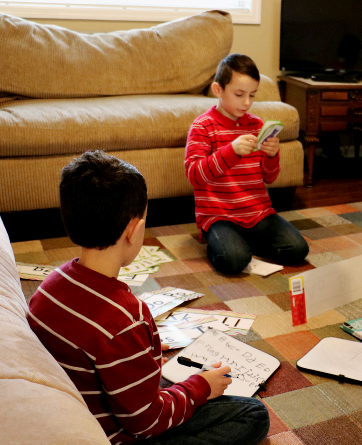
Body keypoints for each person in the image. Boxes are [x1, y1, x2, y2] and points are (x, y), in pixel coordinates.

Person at [27, 150, 269, 445]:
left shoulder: (51, 284)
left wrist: (143, 349)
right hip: (121, 435)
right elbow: (146, 421)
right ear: (135, 230)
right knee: (253, 415)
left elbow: (91, 350)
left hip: (84, 411)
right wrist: (200, 388)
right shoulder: (125, 318)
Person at [185, 53, 308, 274]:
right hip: (219, 215)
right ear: (218, 90)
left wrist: (272, 156)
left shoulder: (257, 125)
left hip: (258, 213)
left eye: (252, 95)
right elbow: (194, 175)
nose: (247, 102)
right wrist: (230, 151)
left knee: (298, 250)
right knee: (234, 261)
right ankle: (231, 244)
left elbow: (269, 177)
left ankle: (243, 242)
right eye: (239, 94)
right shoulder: (203, 126)